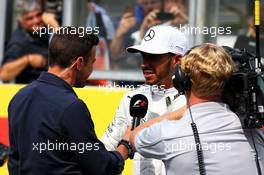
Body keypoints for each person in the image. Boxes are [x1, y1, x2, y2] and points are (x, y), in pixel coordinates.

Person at [8, 27, 132, 175]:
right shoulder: (71, 107)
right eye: (92, 62)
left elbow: (15, 162)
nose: (92, 70)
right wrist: (126, 145)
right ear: (79, 63)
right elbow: (102, 168)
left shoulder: (19, 98)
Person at [130, 43, 260, 175]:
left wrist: (181, 111)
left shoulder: (167, 133)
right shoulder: (254, 132)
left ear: (181, 79)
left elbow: (134, 136)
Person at [102, 25, 187, 175]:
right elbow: (106, 148)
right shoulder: (132, 98)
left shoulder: (195, 101)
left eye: (153, 57)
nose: (144, 64)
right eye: (143, 56)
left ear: (177, 60)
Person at [0, 0, 58, 84]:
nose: (36, 21)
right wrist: (28, 59)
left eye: (38, 15)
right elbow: (4, 74)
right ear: (21, 22)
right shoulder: (19, 42)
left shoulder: (40, 32)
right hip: (33, 92)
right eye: (30, 18)